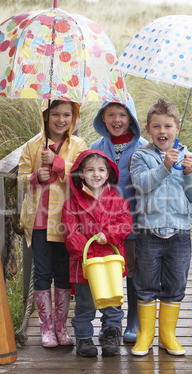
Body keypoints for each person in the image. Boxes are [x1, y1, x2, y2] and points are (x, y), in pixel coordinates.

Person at [129, 99, 192, 356]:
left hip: (180, 232)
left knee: (175, 284)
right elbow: (141, 185)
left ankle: (167, 336)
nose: (163, 131)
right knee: (146, 283)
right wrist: (165, 166)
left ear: (177, 128)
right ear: (148, 128)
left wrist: (189, 173)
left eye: (168, 126)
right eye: (157, 126)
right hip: (150, 231)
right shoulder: (141, 155)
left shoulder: (188, 157)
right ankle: (145, 335)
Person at [18, 98, 87, 348]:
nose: (61, 120)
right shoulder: (32, 146)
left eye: (67, 115)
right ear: (45, 115)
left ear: (74, 117)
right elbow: (21, 179)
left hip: (66, 221)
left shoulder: (78, 145)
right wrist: (36, 176)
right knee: (43, 272)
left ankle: (61, 326)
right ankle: (46, 328)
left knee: (63, 272)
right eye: (55, 114)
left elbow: (82, 175)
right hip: (38, 221)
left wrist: (58, 164)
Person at [61, 150, 133, 357]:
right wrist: (89, 253)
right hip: (86, 265)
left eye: (101, 170)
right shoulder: (72, 204)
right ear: (81, 174)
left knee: (112, 302)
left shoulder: (117, 200)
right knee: (84, 303)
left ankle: (111, 334)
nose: (96, 174)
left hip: (110, 262)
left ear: (108, 173)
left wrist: (108, 235)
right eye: (90, 170)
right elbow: (70, 234)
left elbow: (126, 224)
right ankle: (84, 338)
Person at [91, 94, 148, 343]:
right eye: (111, 114)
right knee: (108, 272)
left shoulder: (144, 147)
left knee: (135, 273)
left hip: (134, 223)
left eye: (123, 115)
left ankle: (134, 322)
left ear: (131, 119)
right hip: (104, 225)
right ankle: (110, 321)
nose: (117, 120)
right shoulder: (96, 148)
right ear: (102, 117)